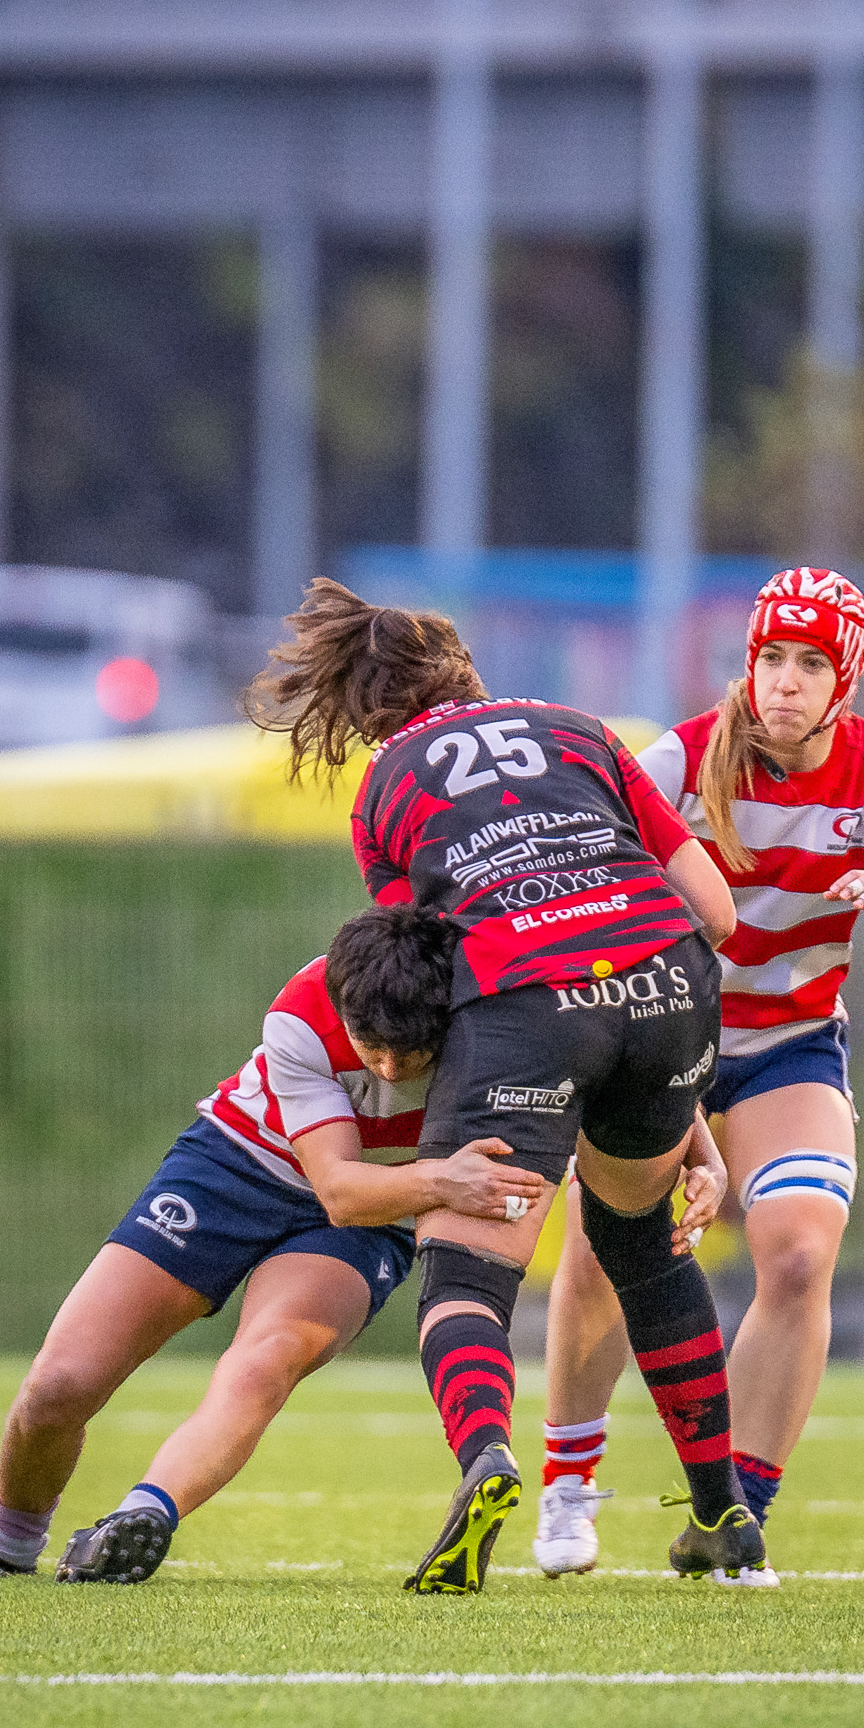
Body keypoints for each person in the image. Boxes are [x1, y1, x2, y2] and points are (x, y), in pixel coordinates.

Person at [245, 577, 759, 1596]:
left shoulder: (384, 788)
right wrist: (665, 1076)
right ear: (465, 670)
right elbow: (715, 910)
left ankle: (485, 1457)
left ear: (368, 710)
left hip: (525, 998)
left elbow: (418, 973)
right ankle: (721, 1512)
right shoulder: (583, 730)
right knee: (640, 1247)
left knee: (465, 1267)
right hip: (668, 978)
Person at [533, 566, 864, 1586]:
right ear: (743, 665)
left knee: (797, 1254)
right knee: (602, 1248)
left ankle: (731, 1516)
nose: (782, 682)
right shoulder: (680, 758)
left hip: (785, 1045)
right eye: (768, 659)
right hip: (662, 1038)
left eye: (808, 663)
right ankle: (567, 1487)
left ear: (845, 681)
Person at [0, 906, 544, 1584]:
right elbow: (338, 1186)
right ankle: (4, 1543)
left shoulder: (493, 1021)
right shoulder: (303, 1010)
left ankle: (142, 1516)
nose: (387, 1070)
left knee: (269, 1356)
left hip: (376, 1213)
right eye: (370, 1045)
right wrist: (442, 1178)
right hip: (238, 1167)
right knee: (61, 1387)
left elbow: (360, 1207)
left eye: (410, 1054)